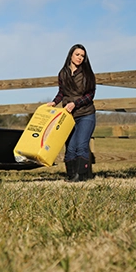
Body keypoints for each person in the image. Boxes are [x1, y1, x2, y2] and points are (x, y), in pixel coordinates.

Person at [47, 44, 96, 182]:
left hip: (86, 114)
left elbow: (90, 95)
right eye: (77, 55)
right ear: (71, 55)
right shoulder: (63, 73)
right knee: (70, 148)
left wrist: (75, 103)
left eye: (82, 56)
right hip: (69, 117)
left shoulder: (87, 74)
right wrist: (54, 102)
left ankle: (81, 177)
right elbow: (62, 92)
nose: (80, 58)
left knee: (81, 145)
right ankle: (71, 176)